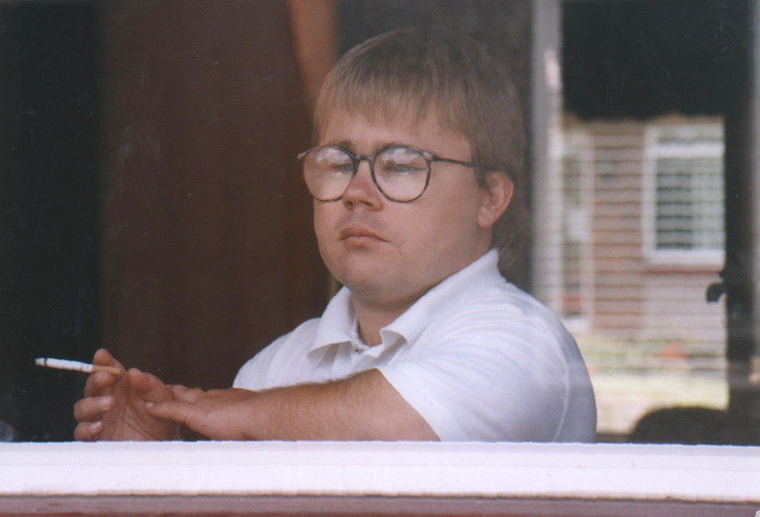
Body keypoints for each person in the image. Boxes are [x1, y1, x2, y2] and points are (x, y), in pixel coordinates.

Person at [73, 26, 597, 443]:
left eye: (400, 165)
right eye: (338, 161)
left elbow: (402, 424)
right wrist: (149, 465)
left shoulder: (524, 343)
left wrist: (244, 412)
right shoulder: (276, 366)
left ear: (490, 198)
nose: (356, 191)